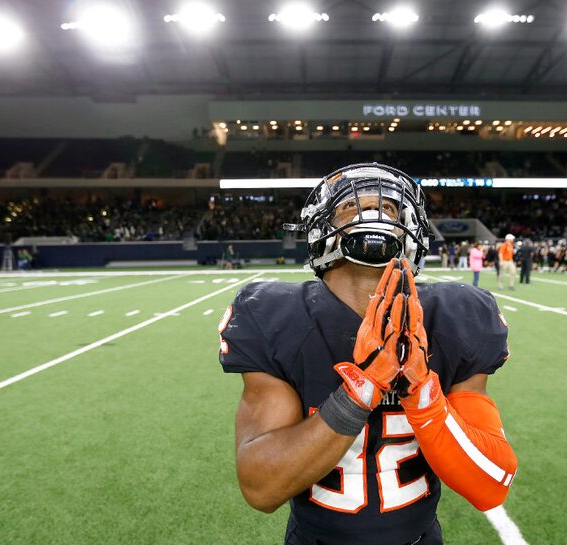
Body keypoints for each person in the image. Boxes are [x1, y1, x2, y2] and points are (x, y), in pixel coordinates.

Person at [219, 163, 517, 545]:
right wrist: (359, 393)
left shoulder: (454, 317)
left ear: (410, 229)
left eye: (389, 208)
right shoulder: (276, 317)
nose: (373, 213)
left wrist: (424, 395)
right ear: (320, 228)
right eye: (351, 207)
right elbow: (261, 487)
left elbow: (491, 483)